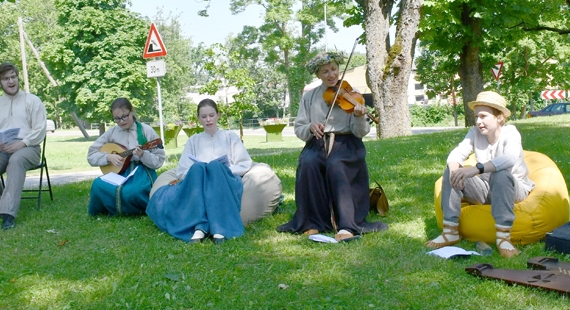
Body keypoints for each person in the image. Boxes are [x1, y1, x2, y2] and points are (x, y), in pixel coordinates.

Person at [277, 52, 387, 241]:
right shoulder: (310, 97)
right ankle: (312, 222)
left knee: (336, 165)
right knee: (308, 163)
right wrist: (310, 127)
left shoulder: (352, 94)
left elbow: (360, 132)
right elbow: (299, 128)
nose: (331, 75)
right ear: (318, 75)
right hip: (317, 143)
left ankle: (347, 224)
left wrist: (359, 116)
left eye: (334, 69)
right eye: (325, 71)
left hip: (346, 144)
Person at [426, 91, 534, 257]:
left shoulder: (511, 132)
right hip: (486, 189)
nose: (478, 121)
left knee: (500, 174)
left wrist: (476, 169)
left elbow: (509, 158)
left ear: (499, 117)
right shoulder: (474, 132)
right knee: (452, 170)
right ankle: (450, 231)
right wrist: (455, 170)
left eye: (483, 116)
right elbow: (458, 152)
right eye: (476, 116)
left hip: (512, 188)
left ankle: (503, 238)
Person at [146, 99, 252, 243]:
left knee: (215, 167)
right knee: (198, 168)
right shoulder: (193, 140)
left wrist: (223, 169)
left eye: (211, 115)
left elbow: (244, 163)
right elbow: (182, 169)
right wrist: (201, 173)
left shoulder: (230, 137)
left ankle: (219, 228)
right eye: (204, 116)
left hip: (223, 179)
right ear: (198, 118)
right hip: (199, 181)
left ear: (218, 115)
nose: (208, 120)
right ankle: (199, 226)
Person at [0, 62, 47, 230]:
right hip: (1, 148)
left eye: (13, 77)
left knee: (16, 161)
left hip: (28, 147)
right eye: (6, 79)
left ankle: (8, 215)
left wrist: (22, 143)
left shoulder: (32, 101)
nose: (11, 81)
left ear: (17, 77)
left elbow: (40, 129)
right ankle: (4, 203)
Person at [86, 98, 165, 216]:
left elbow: (159, 160)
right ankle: (109, 209)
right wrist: (108, 157)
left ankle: (131, 210)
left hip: (141, 172)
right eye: (117, 119)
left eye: (124, 116)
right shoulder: (112, 132)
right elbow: (91, 155)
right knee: (98, 184)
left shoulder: (146, 130)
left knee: (133, 191)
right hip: (119, 172)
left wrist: (143, 155)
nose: (121, 121)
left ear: (132, 111)